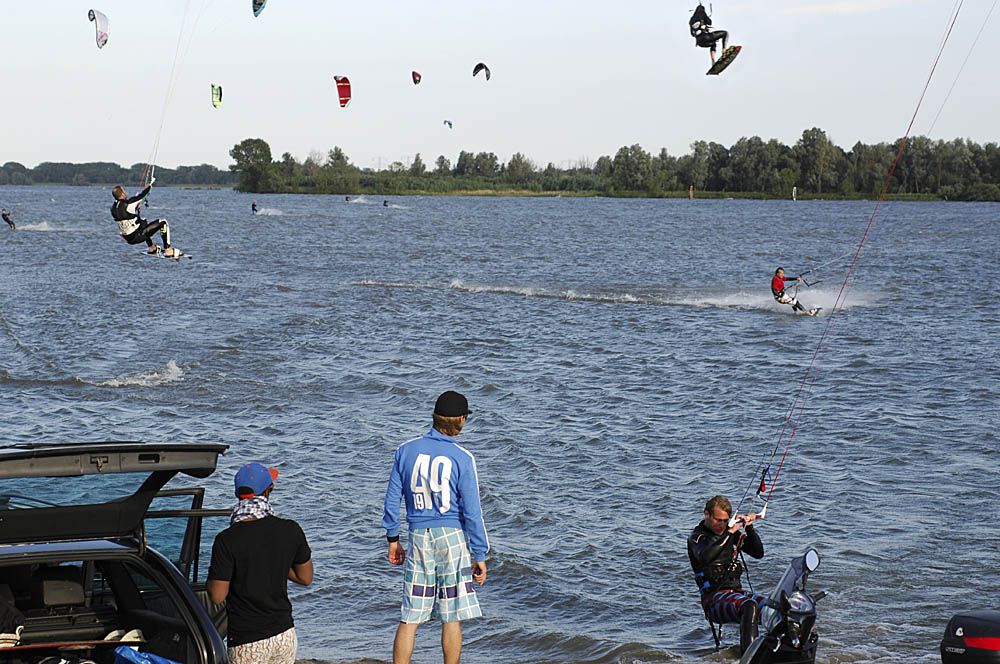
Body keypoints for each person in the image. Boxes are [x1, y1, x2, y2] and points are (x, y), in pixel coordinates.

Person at [382, 390, 489, 664]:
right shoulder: (462, 457)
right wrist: (480, 555)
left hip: (418, 535)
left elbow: (392, 499)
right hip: (451, 536)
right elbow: (472, 512)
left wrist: (393, 538)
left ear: (434, 417)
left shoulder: (405, 451)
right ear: (461, 421)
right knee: (451, 614)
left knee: (411, 614)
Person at [207, 463, 313, 664]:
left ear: (238, 494)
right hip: (284, 634)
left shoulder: (226, 540)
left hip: (247, 640)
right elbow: (305, 577)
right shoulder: (290, 530)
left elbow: (217, 595)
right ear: (268, 490)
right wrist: (278, 562)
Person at [688, 495, 765, 653]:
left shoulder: (732, 535)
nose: (721, 525)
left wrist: (749, 528)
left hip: (737, 593)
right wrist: (729, 532)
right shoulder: (697, 538)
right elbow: (706, 556)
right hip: (714, 599)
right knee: (749, 606)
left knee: (776, 607)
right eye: (718, 520)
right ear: (706, 514)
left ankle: (784, 649)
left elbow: (758, 553)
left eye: (725, 521)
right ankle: (749, 656)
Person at [111, 180, 176, 257]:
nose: (125, 193)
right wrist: (149, 187)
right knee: (163, 222)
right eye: (124, 191)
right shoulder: (128, 204)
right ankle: (168, 250)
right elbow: (142, 195)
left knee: (143, 221)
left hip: (128, 239)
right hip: (137, 236)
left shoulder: (113, 208)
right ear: (121, 194)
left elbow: (126, 216)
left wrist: (135, 207)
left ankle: (152, 248)